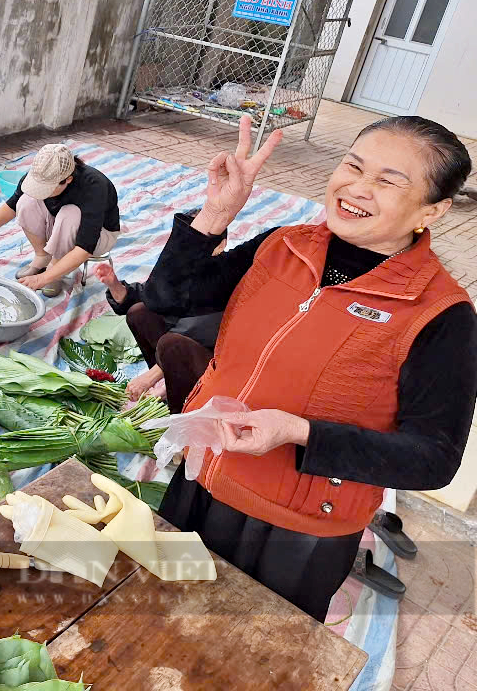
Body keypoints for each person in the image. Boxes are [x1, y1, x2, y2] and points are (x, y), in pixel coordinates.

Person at [143, 115, 476, 621]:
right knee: (157, 615)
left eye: (388, 181)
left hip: (294, 532)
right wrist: (215, 213)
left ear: (432, 209)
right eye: (353, 165)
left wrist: (298, 432)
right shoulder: (284, 245)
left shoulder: (440, 315)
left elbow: (432, 459)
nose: (357, 188)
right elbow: (168, 299)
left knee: (247, 660)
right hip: (201, 478)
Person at [0, 144, 121, 297]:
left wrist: (43, 278)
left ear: (68, 180)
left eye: (47, 188)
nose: (41, 192)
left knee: (69, 214)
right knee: (26, 201)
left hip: (99, 235)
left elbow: (84, 248)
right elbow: (12, 205)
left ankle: (55, 269)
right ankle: (42, 257)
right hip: (59, 223)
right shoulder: (40, 172)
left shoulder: (93, 186)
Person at [94, 250, 225, 411]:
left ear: (221, 245)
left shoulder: (230, 273)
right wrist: (114, 285)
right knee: (139, 312)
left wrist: (152, 375)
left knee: (171, 345)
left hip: (219, 360)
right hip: (178, 350)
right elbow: (151, 295)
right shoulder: (186, 263)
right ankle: (167, 388)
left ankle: (178, 413)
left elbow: (208, 325)